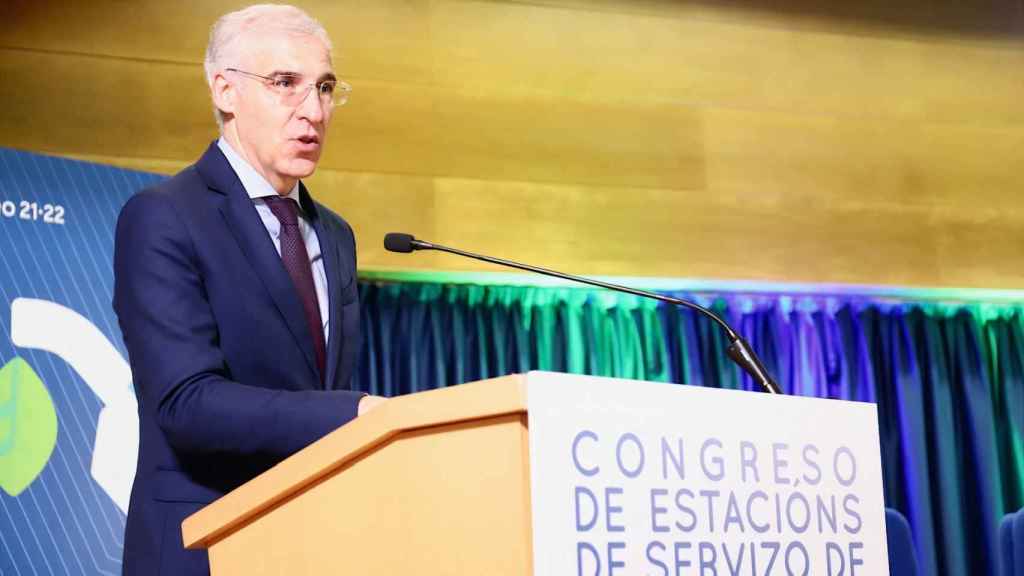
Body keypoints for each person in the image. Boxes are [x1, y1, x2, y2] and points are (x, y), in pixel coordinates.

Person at [113, 5, 385, 574]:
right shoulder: (164, 216)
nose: (313, 111)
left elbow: (313, 381)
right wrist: (354, 413)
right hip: (204, 546)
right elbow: (185, 404)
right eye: (286, 83)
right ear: (225, 90)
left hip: (312, 543)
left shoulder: (335, 235)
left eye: (326, 87)